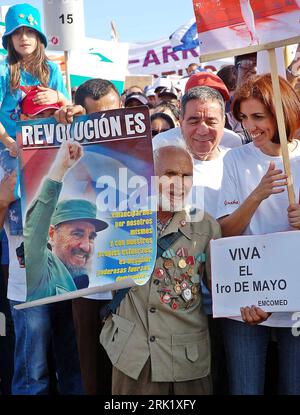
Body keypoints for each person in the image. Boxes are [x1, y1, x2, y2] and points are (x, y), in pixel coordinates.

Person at [100, 145, 221, 395]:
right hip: (133, 357)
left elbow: (224, 290)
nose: (179, 183)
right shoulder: (118, 219)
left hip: (187, 361)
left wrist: (249, 303)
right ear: (149, 176)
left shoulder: (206, 226)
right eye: (169, 174)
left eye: (186, 175)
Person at [217, 73, 300, 395]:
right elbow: (225, 230)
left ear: (284, 112)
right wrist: (257, 195)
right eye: (243, 118)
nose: (250, 127)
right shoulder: (235, 159)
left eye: (258, 117)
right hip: (247, 300)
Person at [55, 78, 122, 395]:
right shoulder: (67, 148)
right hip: (83, 281)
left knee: (127, 367)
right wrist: (64, 128)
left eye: (111, 114)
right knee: (90, 369)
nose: (105, 124)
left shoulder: (141, 145)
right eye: (95, 117)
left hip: (128, 275)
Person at [24, 141, 108, 301]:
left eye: (91, 237)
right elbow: (35, 228)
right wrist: (60, 169)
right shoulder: (41, 269)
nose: (86, 246)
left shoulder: (85, 279)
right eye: (77, 234)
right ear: (51, 234)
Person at [0, 3, 68, 159]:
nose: (24, 38)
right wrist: (9, 142)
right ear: (10, 39)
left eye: (30, 31)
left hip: (45, 144)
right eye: (17, 32)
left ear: (38, 37)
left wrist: (59, 96)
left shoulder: (52, 69)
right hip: (7, 148)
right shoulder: (3, 70)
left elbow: (67, 110)